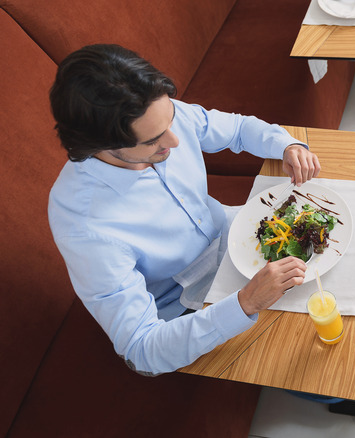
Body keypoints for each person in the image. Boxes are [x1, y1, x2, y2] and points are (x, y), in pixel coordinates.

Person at [48, 44, 320, 375]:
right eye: (153, 141)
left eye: (171, 119)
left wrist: (285, 144)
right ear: (102, 146)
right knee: (308, 354)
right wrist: (246, 302)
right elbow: (142, 350)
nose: (176, 142)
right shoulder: (86, 227)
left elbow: (234, 129)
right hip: (186, 310)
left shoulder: (152, 114)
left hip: (233, 236)